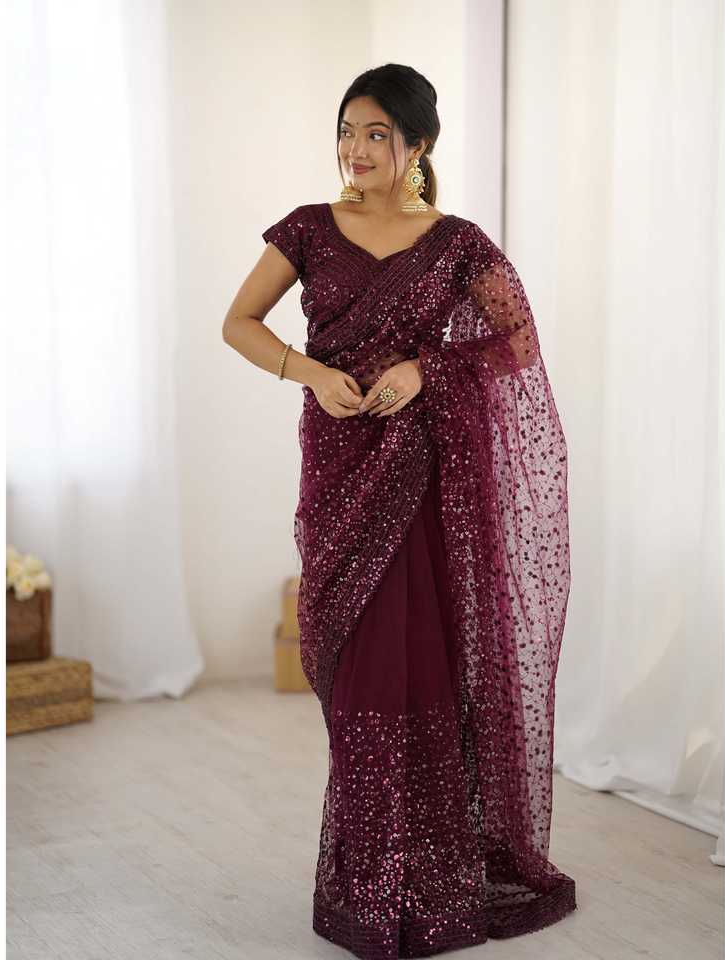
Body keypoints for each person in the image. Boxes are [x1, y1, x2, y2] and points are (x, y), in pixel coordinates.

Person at [222, 63, 576, 960]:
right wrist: (311, 373)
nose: (355, 148)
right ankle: (369, 878)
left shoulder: (456, 242)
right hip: (340, 468)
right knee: (355, 675)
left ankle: (434, 879)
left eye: (376, 133)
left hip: (426, 478)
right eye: (347, 130)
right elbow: (239, 323)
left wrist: (427, 369)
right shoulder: (308, 229)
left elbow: (517, 341)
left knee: (421, 666)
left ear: (418, 145)